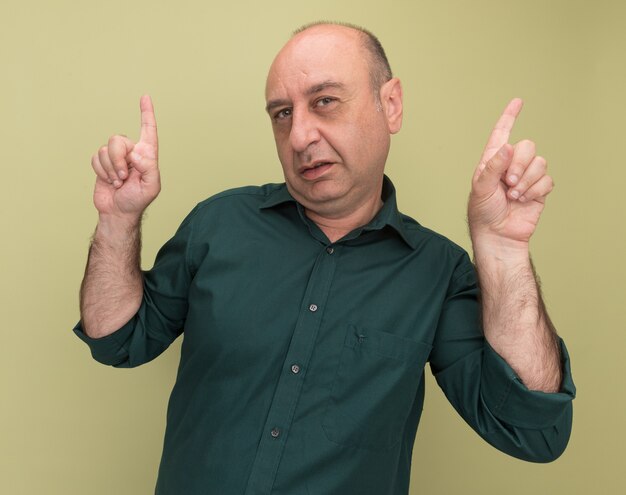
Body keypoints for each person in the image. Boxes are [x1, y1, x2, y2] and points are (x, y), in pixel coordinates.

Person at [74, 22, 575, 495]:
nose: (299, 137)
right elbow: (117, 339)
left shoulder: (438, 273)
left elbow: (532, 430)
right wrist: (117, 221)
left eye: (325, 101)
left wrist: (504, 251)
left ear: (391, 104)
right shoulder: (218, 224)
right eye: (282, 114)